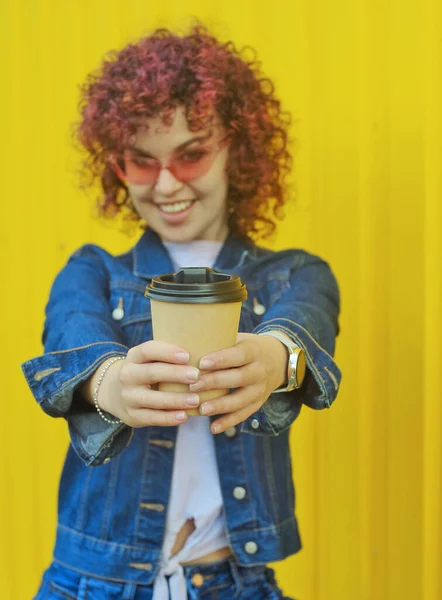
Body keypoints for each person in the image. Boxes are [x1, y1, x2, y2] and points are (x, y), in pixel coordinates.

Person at [22, 23, 342, 600]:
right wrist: (113, 384)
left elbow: (304, 328)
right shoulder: (92, 271)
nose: (167, 183)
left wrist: (272, 360)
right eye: (141, 162)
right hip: (90, 584)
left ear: (235, 151)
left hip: (235, 584)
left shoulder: (294, 274)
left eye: (191, 155)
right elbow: (73, 341)